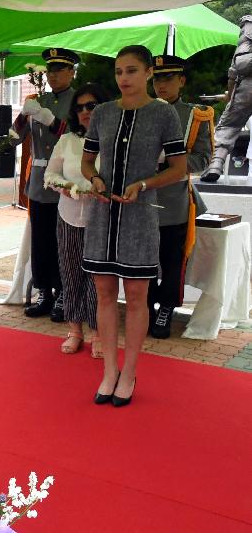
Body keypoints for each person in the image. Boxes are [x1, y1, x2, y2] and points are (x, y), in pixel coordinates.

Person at [82, 45, 187, 407]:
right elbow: (86, 162)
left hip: (141, 214)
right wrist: (94, 180)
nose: (123, 78)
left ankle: (130, 371)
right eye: (118, 72)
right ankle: (109, 370)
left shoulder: (164, 115)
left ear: (147, 74)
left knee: (138, 296)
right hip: (102, 215)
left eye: (130, 71)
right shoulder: (102, 113)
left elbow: (179, 168)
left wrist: (144, 184)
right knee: (105, 292)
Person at [11, 48, 80, 322]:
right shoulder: (38, 99)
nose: (53, 75)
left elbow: (78, 135)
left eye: (60, 70)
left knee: (62, 242)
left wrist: (50, 120)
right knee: (40, 242)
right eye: (50, 70)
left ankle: (64, 292)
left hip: (65, 181)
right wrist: (22, 116)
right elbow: (16, 137)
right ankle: (44, 292)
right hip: (40, 184)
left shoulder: (78, 101)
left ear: (72, 72)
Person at [148, 55, 214, 338]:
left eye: (168, 78)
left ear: (181, 81)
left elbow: (203, 160)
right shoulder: (141, 109)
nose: (161, 84)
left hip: (174, 199)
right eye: (157, 78)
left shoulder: (195, 115)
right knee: (144, 259)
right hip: (141, 196)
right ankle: (147, 306)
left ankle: (167, 308)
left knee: (172, 260)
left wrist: (173, 159)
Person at [43, 83, 109, 357]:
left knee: (98, 278)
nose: (85, 111)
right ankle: (74, 330)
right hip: (68, 215)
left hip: (100, 218)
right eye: (80, 107)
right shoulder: (67, 140)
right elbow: (50, 175)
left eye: (91, 106)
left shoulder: (111, 140)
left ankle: (98, 332)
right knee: (70, 273)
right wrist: (67, 187)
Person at [202, 15, 252, 182]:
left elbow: (235, 68)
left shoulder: (249, 26)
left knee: (229, 125)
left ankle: (215, 165)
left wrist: (230, 95)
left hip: (247, 87)